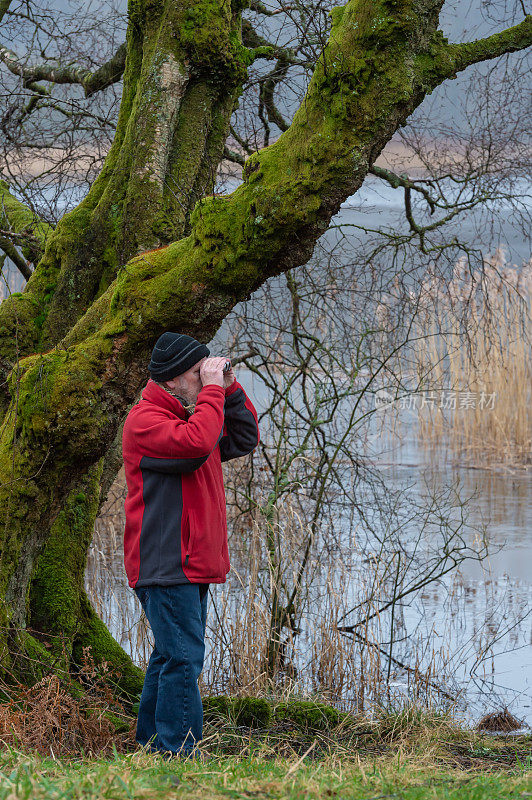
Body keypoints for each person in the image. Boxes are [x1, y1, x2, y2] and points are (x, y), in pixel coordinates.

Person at [122, 332, 260, 759]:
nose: (204, 380)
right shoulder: (146, 422)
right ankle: (178, 751)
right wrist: (213, 393)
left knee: (169, 655)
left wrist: (230, 388)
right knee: (184, 657)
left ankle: (151, 744)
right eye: (197, 374)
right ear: (173, 380)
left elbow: (242, 438)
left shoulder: (192, 413)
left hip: (189, 560)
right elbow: (198, 444)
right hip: (164, 561)